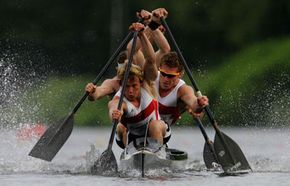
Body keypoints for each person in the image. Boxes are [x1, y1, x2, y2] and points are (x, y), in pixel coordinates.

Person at [85, 8, 170, 101]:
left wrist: (151, 24)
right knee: (136, 51)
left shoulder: (143, 77)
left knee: (147, 57)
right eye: (124, 67)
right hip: (126, 112)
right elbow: (97, 94)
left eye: (128, 65)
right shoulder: (114, 83)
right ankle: (153, 25)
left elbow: (164, 50)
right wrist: (92, 91)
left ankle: (153, 25)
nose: (130, 90)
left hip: (151, 106)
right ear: (118, 70)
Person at [108, 22, 169, 148]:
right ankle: (128, 153)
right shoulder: (119, 100)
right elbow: (113, 106)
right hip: (132, 136)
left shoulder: (147, 84)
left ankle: (158, 152)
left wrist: (142, 33)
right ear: (121, 84)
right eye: (127, 86)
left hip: (157, 131)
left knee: (154, 125)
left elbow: (150, 59)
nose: (130, 91)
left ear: (140, 82)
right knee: (120, 127)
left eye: (134, 86)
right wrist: (115, 114)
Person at [155, 51, 208, 129]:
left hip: (162, 129)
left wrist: (199, 104)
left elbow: (193, 103)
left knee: (155, 127)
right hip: (139, 124)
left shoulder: (183, 90)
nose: (165, 79)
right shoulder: (152, 77)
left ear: (180, 74)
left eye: (170, 76)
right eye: (163, 73)